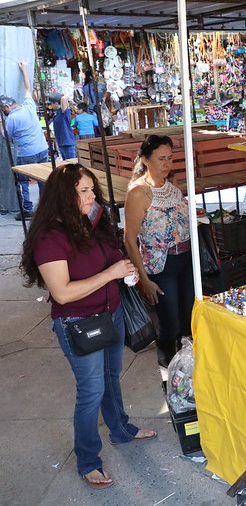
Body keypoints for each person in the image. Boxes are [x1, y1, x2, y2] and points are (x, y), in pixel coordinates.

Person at [19, 163, 158, 490]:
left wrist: (124, 269)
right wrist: (110, 274)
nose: (92, 196)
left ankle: (120, 430)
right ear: (63, 196)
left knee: (110, 378)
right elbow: (62, 293)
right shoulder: (49, 237)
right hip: (79, 323)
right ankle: (88, 460)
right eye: (84, 191)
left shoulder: (88, 222)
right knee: (91, 391)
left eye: (92, 189)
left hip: (110, 314)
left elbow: (108, 260)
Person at [123, 135, 194, 368]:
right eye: (161, 159)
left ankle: (186, 369)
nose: (167, 164)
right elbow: (129, 240)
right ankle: (168, 373)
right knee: (169, 324)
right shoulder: (138, 193)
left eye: (170, 158)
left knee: (189, 319)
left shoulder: (171, 186)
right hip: (162, 266)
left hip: (186, 259)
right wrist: (144, 280)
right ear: (145, 159)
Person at [0, 61, 50, 221]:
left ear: (6, 107)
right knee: (43, 179)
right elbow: (28, 88)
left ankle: (27, 209)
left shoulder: (11, 119)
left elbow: (7, 137)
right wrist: (24, 69)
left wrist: (1, 123)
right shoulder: (29, 105)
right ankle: (45, 208)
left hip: (26, 153)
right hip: (42, 149)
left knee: (23, 181)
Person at [48, 93, 77, 160]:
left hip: (68, 143)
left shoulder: (64, 112)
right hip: (61, 143)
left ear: (56, 103)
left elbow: (64, 98)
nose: (50, 105)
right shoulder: (57, 113)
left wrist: (64, 94)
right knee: (66, 163)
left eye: (51, 103)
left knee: (71, 163)